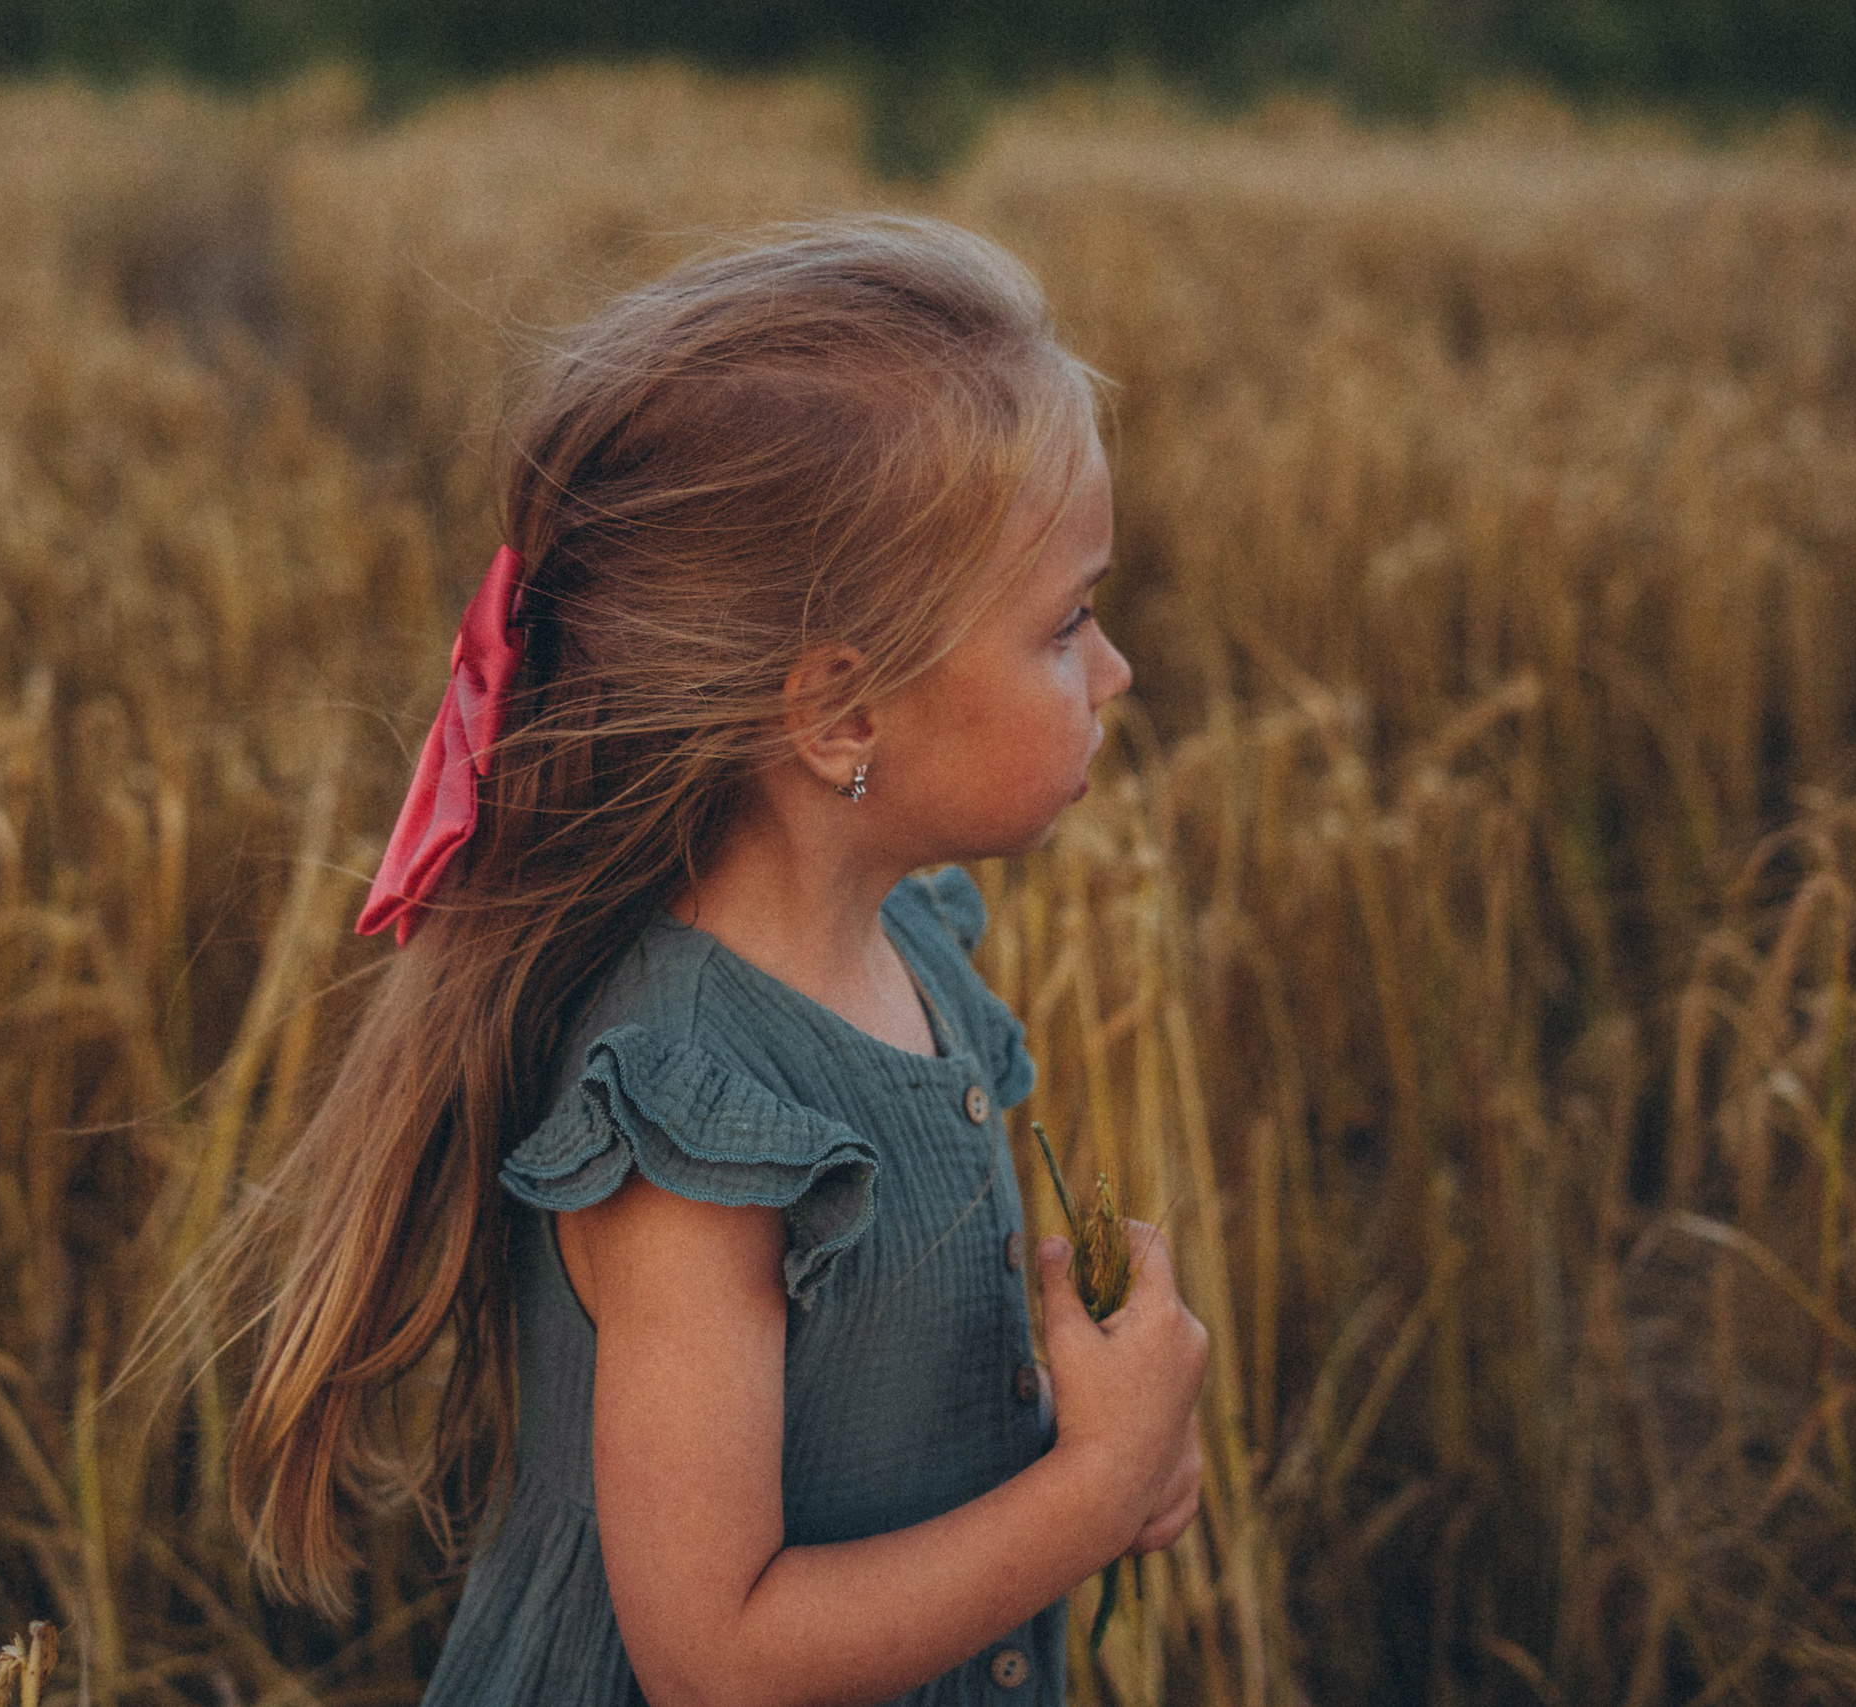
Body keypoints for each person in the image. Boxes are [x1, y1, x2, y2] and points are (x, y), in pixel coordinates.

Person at [201, 216, 1209, 1706]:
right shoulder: (687, 1117)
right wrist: (1089, 1500)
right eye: (1065, 626)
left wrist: (1081, 1439)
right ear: (841, 719)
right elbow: (717, 1656)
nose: (1116, 672)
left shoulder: (911, 947)